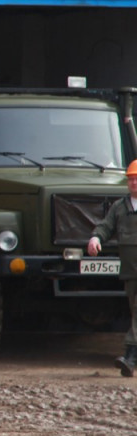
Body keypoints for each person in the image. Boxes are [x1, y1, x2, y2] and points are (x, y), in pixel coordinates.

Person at [87, 159, 137, 377]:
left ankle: (130, 356)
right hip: (130, 271)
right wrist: (96, 238)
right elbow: (105, 227)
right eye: (131, 179)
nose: (134, 183)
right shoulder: (120, 207)